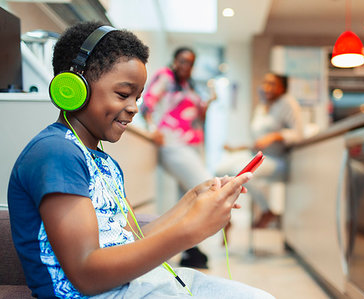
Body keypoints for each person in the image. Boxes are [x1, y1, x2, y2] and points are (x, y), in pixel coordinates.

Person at [7, 21, 274, 299]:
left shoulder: (104, 162)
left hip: (135, 284)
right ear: (76, 86)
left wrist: (192, 199)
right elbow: (86, 275)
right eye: (123, 94)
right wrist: (190, 230)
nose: (134, 107)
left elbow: (132, 240)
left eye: (138, 96)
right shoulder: (55, 153)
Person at [140, 47, 216, 269]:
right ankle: (183, 245)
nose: (186, 66)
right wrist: (152, 128)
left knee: (186, 196)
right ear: (174, 60)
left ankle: (188, 250)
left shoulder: (188, 85)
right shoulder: (165, 76)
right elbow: (147, 104)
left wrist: (208, 103)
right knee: (204, 186)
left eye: (190, 63)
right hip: (173, 144)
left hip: (193, 145)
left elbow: (196, 116)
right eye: (182, 61)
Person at [216, 72, 303, 229]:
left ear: (283, 88)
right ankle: (225, 217)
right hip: (258, 155)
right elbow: (258, 140)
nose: (266, 87)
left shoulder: (288, 103)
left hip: (279, 160)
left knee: (243, 173)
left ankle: (267, 211)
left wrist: (275, 136)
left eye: (272, 84)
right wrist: (237, 148)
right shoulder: (262, 106)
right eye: (265, 83)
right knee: (221, 168)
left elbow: (298, 134)